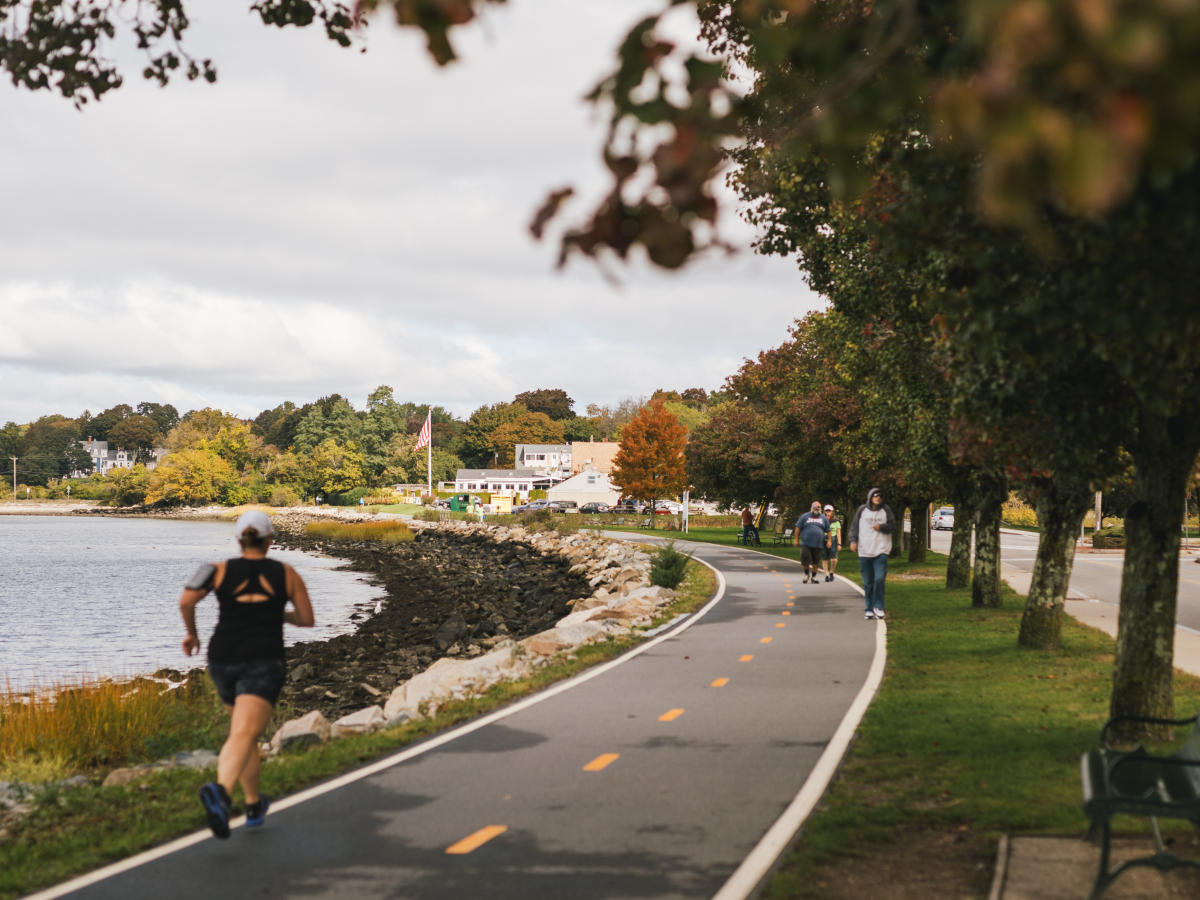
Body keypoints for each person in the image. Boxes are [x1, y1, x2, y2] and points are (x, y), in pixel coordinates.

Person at [179, 510, 315, 838]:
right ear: (270, 540)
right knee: (243, 733)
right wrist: (277, 614)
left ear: (238, 540)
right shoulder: (287, 573)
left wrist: (191, 634)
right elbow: (307, 619)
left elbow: (186, 601)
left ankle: (253, 804)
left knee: (244, 732)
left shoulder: (215, 569)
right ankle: (221, 792)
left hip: (222, 657)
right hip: (262, 659)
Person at [847, 488, 896, 619]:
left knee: (879, 579)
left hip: (881, 550)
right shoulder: (862, 510)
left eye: (880, 496)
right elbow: (854, 527)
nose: (878, 498)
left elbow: (893, 526)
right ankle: (869, 608)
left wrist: (881, 527)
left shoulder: (886, 510)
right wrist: (853, 540)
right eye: (875, 495)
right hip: (865, 551)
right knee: (868, 582)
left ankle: (878, 606)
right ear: (870, 497)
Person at [795, 501, 829, 584]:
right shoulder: (805, 516)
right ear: (811, 507)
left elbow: (828, 530)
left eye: (819, 507)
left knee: (816, 562)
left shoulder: (823, 518)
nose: (817, 508)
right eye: (815, 506)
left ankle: (814, 577)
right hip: (806, 543)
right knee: (805, 560)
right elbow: (798, 528)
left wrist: (830, 540)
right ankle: (806, 575)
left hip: (818, 544)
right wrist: (796, 539)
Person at [823, 504, 841, 582]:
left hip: (833, 539)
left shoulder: (836, 521)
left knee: (833, 559)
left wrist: (839, 543)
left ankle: (832, 572)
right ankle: (826, 575)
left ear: (832, 511)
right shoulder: (822, 520)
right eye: (826, 510)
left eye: (829, 510)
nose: (828, 512)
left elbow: (838, 533)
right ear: (824, 511)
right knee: (825, 558)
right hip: (823, 539)